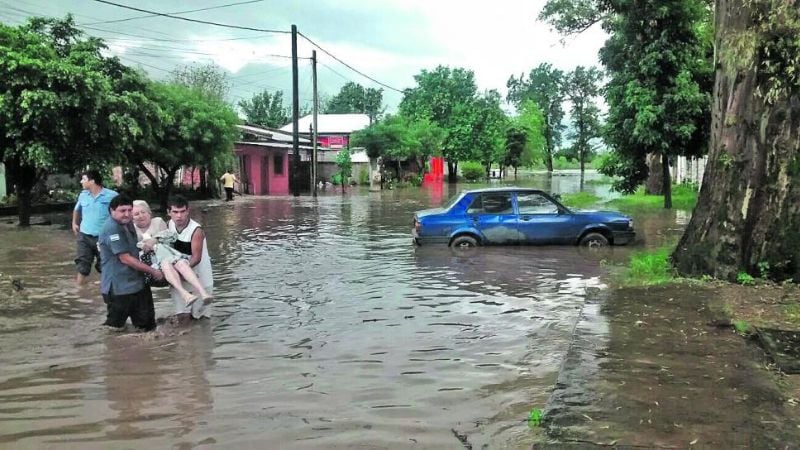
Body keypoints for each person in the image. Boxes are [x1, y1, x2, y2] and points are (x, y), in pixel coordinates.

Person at [98, 195, 164, 331]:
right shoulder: (111, 228)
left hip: (138, 283)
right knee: (114, 329)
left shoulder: (128, 224)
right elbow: (125, 258)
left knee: (148, 328)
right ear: (112, 210)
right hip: (119, 289)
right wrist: (153, 271)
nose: (127, 214)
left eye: (129, 210)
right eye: (122, 211)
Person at [131, 200, 213, 306]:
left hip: (168, 255)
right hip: (152, 264)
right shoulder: (130, 229)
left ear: (149, 213)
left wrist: (155, 239)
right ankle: (185, 294)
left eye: (143, 212)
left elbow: (168, 236)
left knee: (179, 263)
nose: (141, 216)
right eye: (136, 214)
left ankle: (203, 293)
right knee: (168, 264)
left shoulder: (159, 222)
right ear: (131, 217)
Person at [166, 196, 214, 319]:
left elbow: (196, 258)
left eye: (182, 211)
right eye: (175, 212)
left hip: (201, 279)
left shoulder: (196, 230)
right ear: (168, 212)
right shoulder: (169, 225)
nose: (179, 216)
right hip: (181, 278)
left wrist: (179, 271)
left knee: (201, 320)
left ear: (188, 211)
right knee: (182, 317)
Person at [72, 170, 118, 285]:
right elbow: (77, 210)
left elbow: (120, 213)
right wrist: (74, 223)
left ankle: (106, 289)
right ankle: (79, 290)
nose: (81, 181)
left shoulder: (112, 195)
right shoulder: (83, 195)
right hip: (84, 235)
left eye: (83, 179)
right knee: (82, 264)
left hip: (103, 236)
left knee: (105, 264)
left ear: (92, 181)